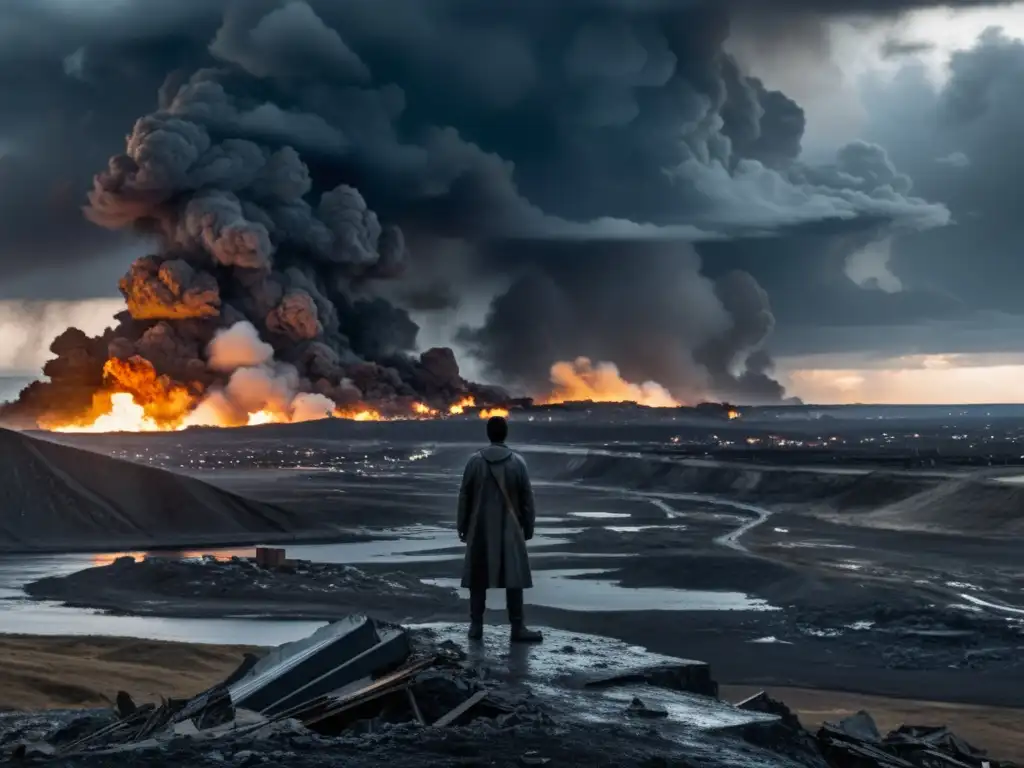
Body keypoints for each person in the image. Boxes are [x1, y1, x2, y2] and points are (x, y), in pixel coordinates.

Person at [457, 415, 543, 643]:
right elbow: (527, 499)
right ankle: (518, 627)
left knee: (478, 577)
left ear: (488, 434)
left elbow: (464, 495)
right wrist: (529, 525)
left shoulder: (474, 462)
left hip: (480, 527)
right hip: (510, 528)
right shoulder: (518, 462)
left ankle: (476, 626)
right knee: (513, 578)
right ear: (505, 433)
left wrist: (462, 525)